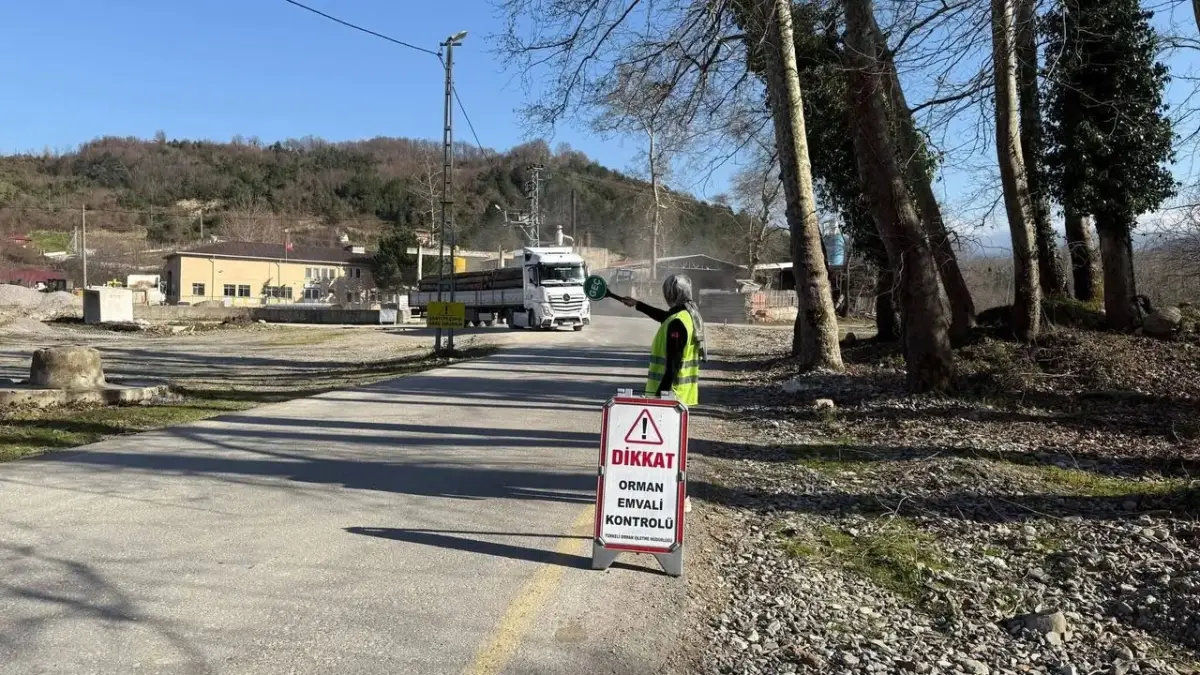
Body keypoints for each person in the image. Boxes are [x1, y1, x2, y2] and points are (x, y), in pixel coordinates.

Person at [620, 273, 707, 405]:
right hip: (681, 394)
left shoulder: (677, 322)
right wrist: (637, 304)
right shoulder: (688, 315)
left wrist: (659, 398)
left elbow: (673, 366)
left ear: (673, 294)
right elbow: (665, 316)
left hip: (670, 395)